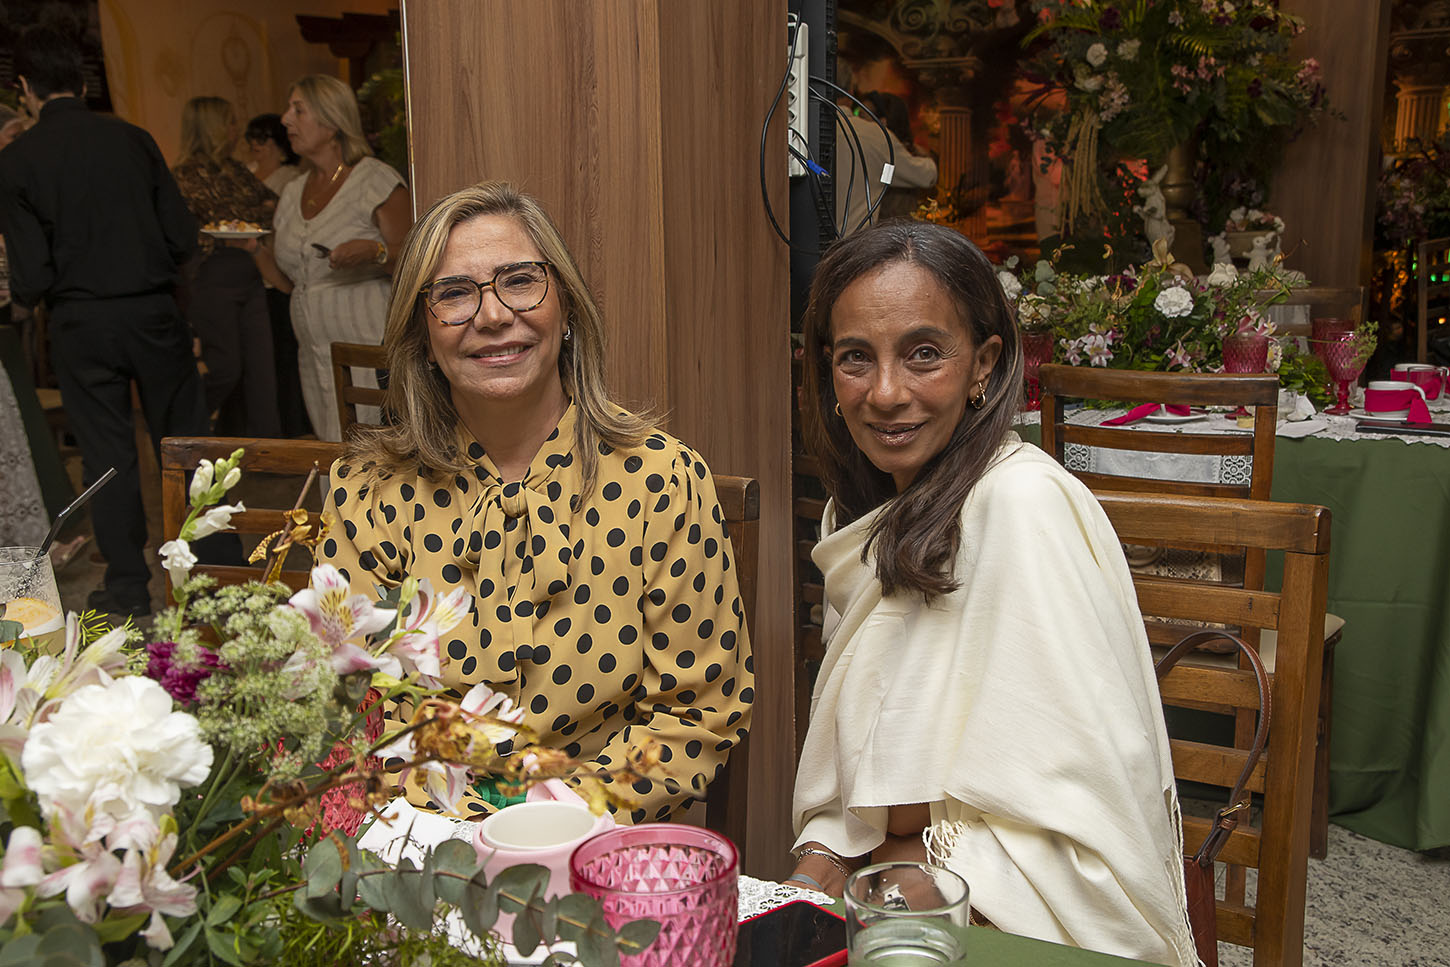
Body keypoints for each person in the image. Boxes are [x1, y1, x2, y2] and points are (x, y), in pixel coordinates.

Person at [784, 221, 1197, 967]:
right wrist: (810, 880)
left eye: (923, 353)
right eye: (855, 358)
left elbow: (1086, 834)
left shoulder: (1023, 505)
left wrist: (904, 878)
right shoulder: (856, 515)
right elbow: (854, 784)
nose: (886, 393)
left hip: (1016, 924)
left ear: (985, 363)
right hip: (891, 891)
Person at [320, 181, 754, 822]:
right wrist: (465, 826)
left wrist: (553, 823)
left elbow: (695, 714)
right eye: (454, 293)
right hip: (423, 844)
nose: (493, 315)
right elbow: (353, 713)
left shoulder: (661, 482)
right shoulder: (368, 494)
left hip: (596, 841)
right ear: (422, 333)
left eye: (519, 281)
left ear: (566, 306)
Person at [0, 26, 208, 617]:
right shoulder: (133, 139)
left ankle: (126, 586)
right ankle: (211, 574)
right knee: (186, 444)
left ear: (25, 88)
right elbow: (182, 236)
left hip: (81, 322)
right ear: (83, 83)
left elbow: (32, 276)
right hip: (152, 311)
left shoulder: (16, 161)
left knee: (106, 456)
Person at [271, 74, 412, 441]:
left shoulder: (374, 180)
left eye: (298, 110)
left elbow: (415, 259)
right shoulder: (292, 191)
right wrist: (253, 250)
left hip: (366, 342)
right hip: (313, 350)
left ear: (331, 121)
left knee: (376, 445)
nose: (285, 119)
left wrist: (375, 252)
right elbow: (289, 280)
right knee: (330, 445)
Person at [171, 95, 281, 437]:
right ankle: (183, 427)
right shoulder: (184, 175)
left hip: (250, 272)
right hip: (210, 275)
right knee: (226, 367)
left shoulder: (236, 170)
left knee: (261, 373)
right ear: (213, 128)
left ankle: (264, 450)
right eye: (230, 122)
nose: (236, 129)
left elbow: (271, 203)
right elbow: (188, 230)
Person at [243, 112, 310, 437]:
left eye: (262, 138)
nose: (255, 144)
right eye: (251, 138)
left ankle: (295, 428)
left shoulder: (290, 179)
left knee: (286, 355)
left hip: (279, 275)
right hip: (252, 271)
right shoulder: (245, 172)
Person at [833, 91, 936, 238]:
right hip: (866, 238)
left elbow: (924, 175)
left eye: (863, 115)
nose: (858, 121)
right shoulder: (881, 149)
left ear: (883, 122)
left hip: (887, 237)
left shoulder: (888, 151)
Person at [243, 112, 301, 194]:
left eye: (261, 137)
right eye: (251, 136)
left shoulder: (291, 178)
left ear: (280, 141)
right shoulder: (246, 169)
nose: (254, 142)